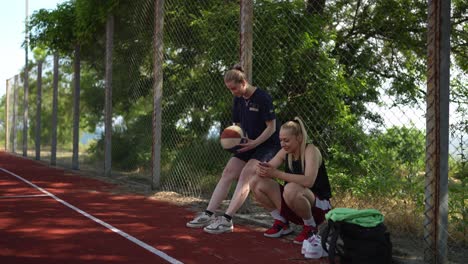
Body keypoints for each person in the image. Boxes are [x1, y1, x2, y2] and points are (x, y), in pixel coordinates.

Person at [186, 64, 281, 234]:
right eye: (229, 89)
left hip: (267, 144)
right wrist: (238, 138)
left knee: (246, 174)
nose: (233, 92)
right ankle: (209, 213)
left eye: (234, 88)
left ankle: (227, 219)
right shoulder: (238, 99)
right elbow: (237, 125)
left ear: (243, 82)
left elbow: (272, 128)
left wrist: (254, 143)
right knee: (228, 171)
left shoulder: (263, 98)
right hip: (249, 142)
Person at [250, 117, 332, 244]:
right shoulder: (285, 151)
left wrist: (276, 173)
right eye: (281, 140)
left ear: (298, 138)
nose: (282, 144)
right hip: (294, 201)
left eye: (286, 140)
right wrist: (261, 169)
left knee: (290, 188)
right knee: (256, 182)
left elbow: (308, 181)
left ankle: (310, 227)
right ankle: (282, 222)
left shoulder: (311, 150)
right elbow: (269, 168)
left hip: (318, 207)